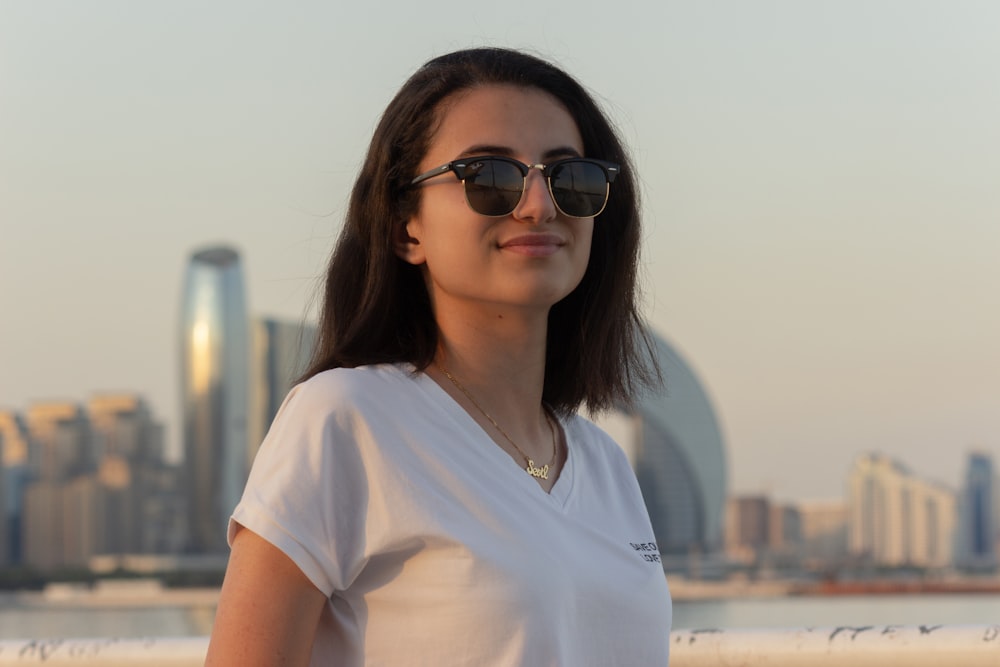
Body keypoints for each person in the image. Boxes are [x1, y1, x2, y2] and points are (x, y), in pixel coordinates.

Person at [205, 47, 672, 666]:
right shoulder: (347, 418)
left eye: (570, 177)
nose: (538, 205)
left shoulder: (605, 466)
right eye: (488, 177)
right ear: (406, 228)